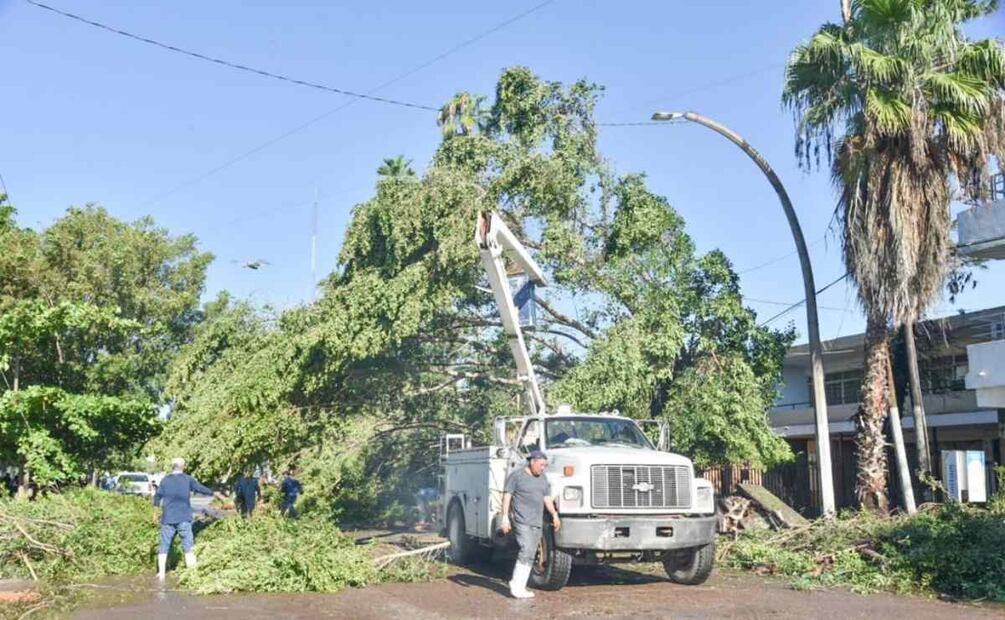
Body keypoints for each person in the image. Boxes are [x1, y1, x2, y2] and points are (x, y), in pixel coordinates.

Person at [500, 449, 561, 599]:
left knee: (531, 554)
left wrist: (554, 515)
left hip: (536, 521)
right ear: (532, 462)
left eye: (545, 465)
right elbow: (507, 496)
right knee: (526, 549)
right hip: (521, 520)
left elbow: (547, 498)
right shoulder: (517, 476)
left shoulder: (543, 478)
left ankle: (520, 586)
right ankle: (516, 584)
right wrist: (505, 518)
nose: (543, 468)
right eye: (541, 465)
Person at [153, 457, 225, 579]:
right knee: (188, 545)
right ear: (183, 466)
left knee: (164, 545)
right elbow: (200, 488)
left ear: (172, 466)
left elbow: (157, 497)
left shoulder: (165, 480)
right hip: (184, 518)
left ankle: (161, 574)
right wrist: (214, 493)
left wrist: (154, 514)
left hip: (168, 518)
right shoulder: (188, 479)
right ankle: (191, 573)